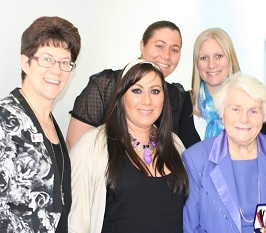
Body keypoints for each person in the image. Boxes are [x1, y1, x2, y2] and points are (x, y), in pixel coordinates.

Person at [182, 73, 266, 233]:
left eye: (253, 111)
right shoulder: (195, 159)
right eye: (236, 109)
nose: (244, 119)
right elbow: (190, 227)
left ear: (264, 116)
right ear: (222, 113)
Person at [68, 59, 189, 233]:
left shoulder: (175, 145)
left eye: (155, 91)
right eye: (137, 90)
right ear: (121, 95)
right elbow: (75, 224)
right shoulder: (92, 146)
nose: (147, 101)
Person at [0, 16, 80, 232]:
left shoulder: (51, 123)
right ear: (25, 63)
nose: (57, 70)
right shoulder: (4, 120)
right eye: (47, 59)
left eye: (65, 62)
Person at [66, 20, 185, 151]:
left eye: (174, 49)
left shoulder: (176, 96)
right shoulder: (106, 85)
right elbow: (75, 146)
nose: (166, 55)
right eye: (159, 46)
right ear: (142, 45)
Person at [179, 28, 266, 149]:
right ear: (197, 63)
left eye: (218, 56)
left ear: (230, 58)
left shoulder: (255, 101)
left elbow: (265, 154)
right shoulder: (180, 104)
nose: (211, 65)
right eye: (204, 58)